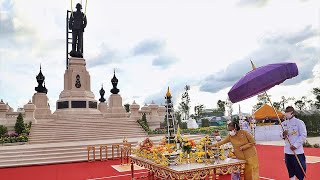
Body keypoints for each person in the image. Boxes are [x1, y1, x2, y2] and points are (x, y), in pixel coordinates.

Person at [281, 106, 307, 180]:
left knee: (300, 171)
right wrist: (283, 134)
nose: (286, 113)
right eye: (285, 112)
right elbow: (280, 135)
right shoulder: (283, 124)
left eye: (288, 112)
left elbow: (303, 135)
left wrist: (296, 145)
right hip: (287, 151)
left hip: (297, 151)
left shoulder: (299, 122)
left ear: (293, 113)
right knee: (290, 170)